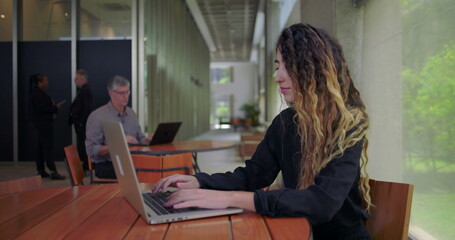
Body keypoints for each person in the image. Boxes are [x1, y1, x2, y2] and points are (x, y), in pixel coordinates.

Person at [153, 23, 372, 239]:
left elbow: (323, 203)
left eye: (289, 66)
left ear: (313, 69)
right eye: (278, 66)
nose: (278, 76)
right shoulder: (285, 123)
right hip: (297, 231)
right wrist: (201, 182)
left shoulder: (348, 124)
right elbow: (253, 175)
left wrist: (232, 198)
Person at [85, 75, 151, 179]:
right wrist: (120, 142)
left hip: (131, 161)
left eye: (127, 92)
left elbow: (139, 138)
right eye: (121, 93)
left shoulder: (131, 113)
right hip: (107, 165)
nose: (125, 96)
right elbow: (92, 150)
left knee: (153, 167)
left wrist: (147, 139)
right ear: (111, 93)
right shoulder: (97, 116)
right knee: (142, 173)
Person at [29, 73, 66, 180]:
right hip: (44, 124)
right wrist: (55, 108)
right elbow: (42, 109)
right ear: (39, 83)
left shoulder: (37, 93)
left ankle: (41, 170)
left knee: (41, 147)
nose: (47, 82)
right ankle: (53, 171)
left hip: (43, 124)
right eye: (45, 80)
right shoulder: (37, 94)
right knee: (47, 147)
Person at [69, 69, 93, 171]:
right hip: (80, 123)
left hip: (82, 124)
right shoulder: (83, 90)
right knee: (81, 144)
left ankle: (86, 166)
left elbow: (87, 108)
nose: (74, 80)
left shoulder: (85, 90)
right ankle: (85, 165)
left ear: (82, 79)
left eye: (76, 78)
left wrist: (80, 121)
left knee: (83, 145)